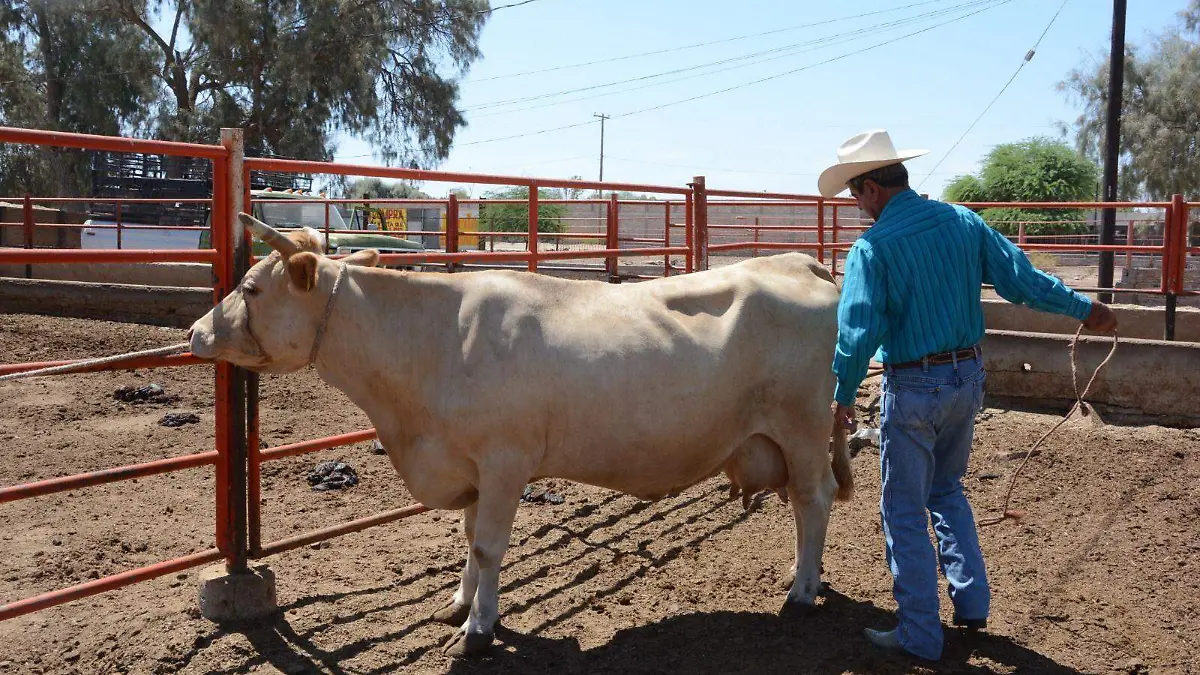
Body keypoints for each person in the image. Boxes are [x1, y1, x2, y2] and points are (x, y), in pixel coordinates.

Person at [817, 130, 1118, 661]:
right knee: (947, 490)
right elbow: (1021, 280)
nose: (856, 207)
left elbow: (859, 329)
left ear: (870, 189)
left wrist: (842, 393)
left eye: (854, 194)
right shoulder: (963, 222)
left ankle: (918, 635)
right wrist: (1084, 308)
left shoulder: (872, 248)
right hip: (968, 378)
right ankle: (971, 601)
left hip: (913, 386)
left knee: (903, 510)